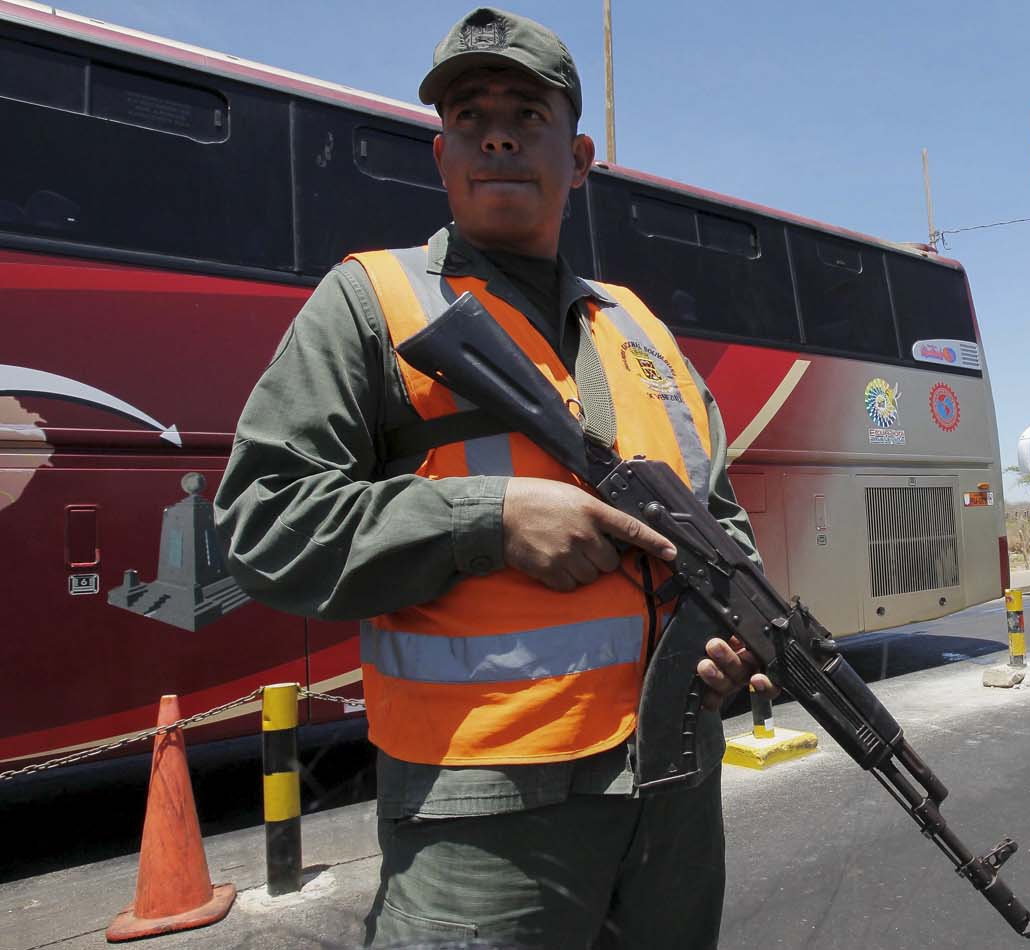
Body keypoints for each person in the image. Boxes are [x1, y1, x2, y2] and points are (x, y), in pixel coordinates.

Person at [214, 9, 772, 948]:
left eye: (528, 112)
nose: (499, 132)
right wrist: (489, 518)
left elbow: (723, 525)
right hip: (484, 817)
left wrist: (743, 640)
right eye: (470, 116)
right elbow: (263, 524)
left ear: (581, 157)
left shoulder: (641, 329)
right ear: (441, 158)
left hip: (676, 797)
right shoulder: (371, 302)